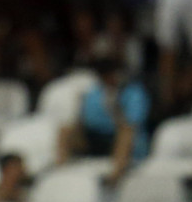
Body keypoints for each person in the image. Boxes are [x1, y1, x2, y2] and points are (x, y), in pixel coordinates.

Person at [57, 56, 150, 185]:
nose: (110, 78)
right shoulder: (95, 92)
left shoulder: (134, 92)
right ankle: (59, 175)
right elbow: (89, 121)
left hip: (128, 142)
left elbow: (133, 122)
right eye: (105, 75)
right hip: (99, 139)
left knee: (125, 132)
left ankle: (115, 176)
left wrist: (114, 107)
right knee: (65, 130)